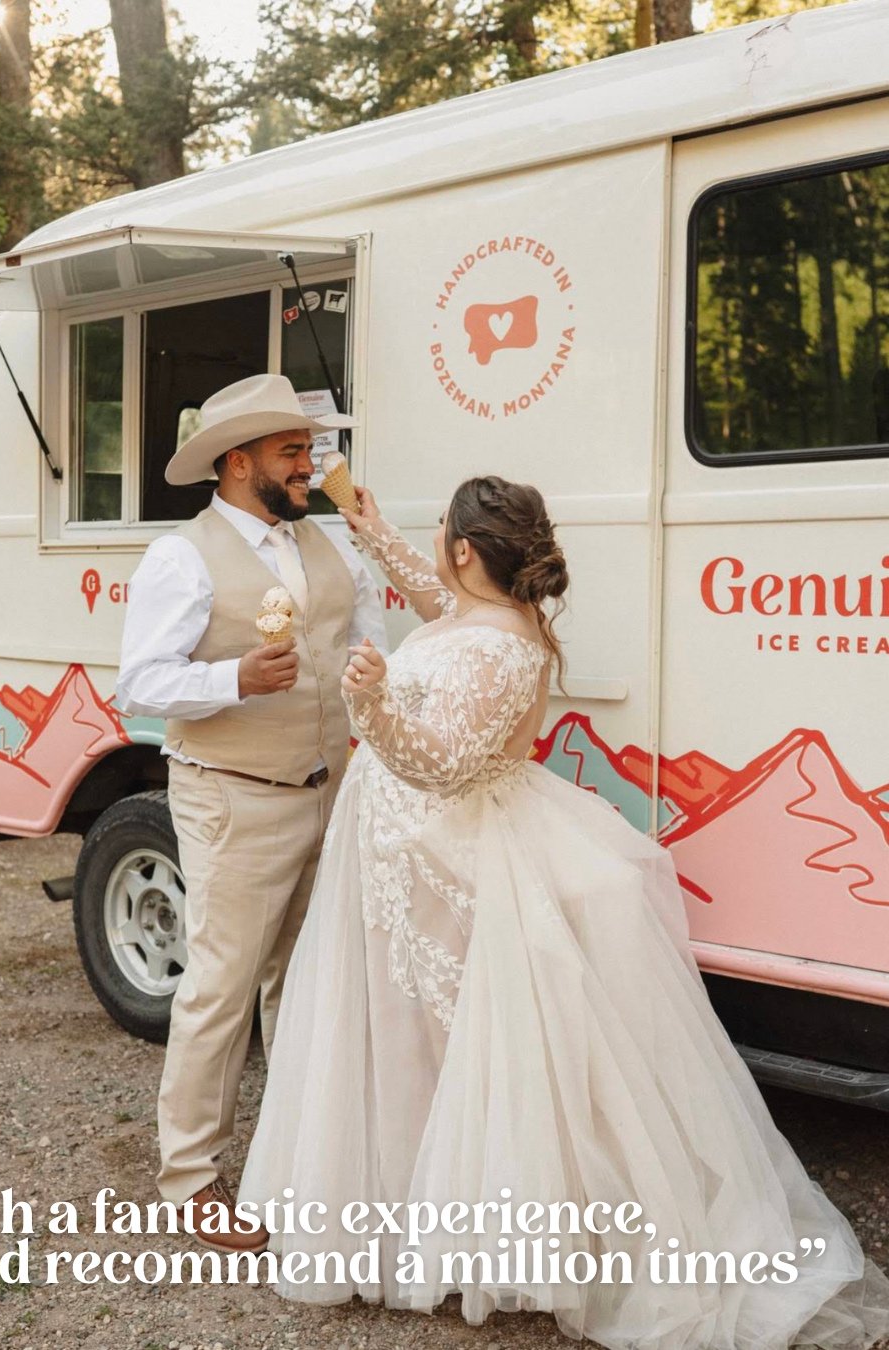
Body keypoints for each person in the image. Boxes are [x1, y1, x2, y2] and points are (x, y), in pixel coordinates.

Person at [238, 475, 889, 1346]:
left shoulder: (498, 648)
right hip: (412, 852)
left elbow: (446, 766)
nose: (435, 550)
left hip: (447, 852)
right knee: (419, 1041)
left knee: (443, 1042)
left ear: (466, 549)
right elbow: (434, 599)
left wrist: (374, 707)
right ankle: (418, 1214)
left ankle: (475, 1233)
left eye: (442, 536)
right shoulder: (479, 615)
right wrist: (371, 525)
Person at [116, 374, 386, 1253]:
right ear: (238, 465)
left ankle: (294, 1163)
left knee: (304, 983)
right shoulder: (181, 556)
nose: (310, 465)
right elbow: (142, 682)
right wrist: (233, 679)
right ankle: (191, 1180)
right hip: (233, 795)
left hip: (330, 788)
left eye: (308, 449)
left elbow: (365, 638)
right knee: (220, 989)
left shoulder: (328, 547)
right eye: (292, 452)